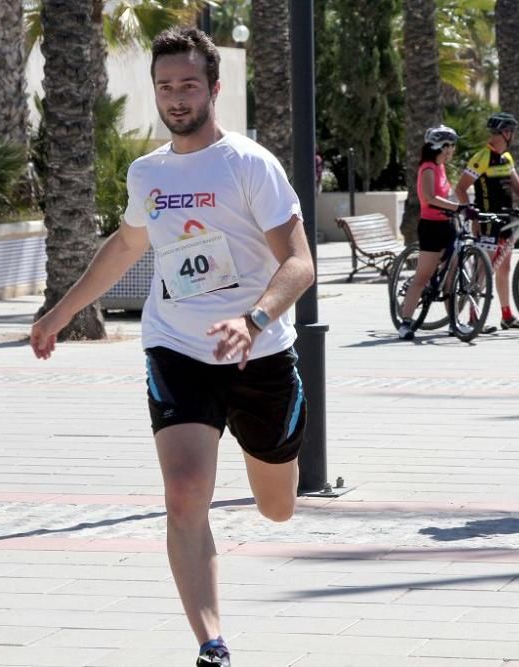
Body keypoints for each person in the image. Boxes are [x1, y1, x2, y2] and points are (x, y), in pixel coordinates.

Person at [29, 27, 313, 667]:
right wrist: (60, 313)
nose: (176, 97)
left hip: (259, 354)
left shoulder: (248, 164)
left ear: (214, 88)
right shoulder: (148, 172)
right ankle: (212, 643)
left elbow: (299, 263)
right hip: (177, 348)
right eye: (165, 86)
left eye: (188, 84)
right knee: (186, 492)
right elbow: (126, 246)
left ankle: (267, 458)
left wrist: (255, 318)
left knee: (277, 508)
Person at [455, 112, 519, 331]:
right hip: (486, 219)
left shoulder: (507, 158)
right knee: (483, 271)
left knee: (504, 268)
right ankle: (474, 318)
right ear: (505, 133)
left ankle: (507, 315)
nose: (511, 135)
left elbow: (516, 184)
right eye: (510, 131)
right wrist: (471, 213)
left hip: (505, 218)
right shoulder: (482, 157)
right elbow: (460, 188)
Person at [397, 125, 476, 339]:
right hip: (431, 227)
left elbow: (447, 197)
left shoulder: (441, 168)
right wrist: (457, 207)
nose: (453, 150)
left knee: (452, 276)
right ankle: (405, 322)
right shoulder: (428, 168)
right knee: (423, 276)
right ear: (442, 146)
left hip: (448, 225)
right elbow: (430, 197)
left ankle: (453, 322)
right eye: (451, 146)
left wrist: (464, 208)